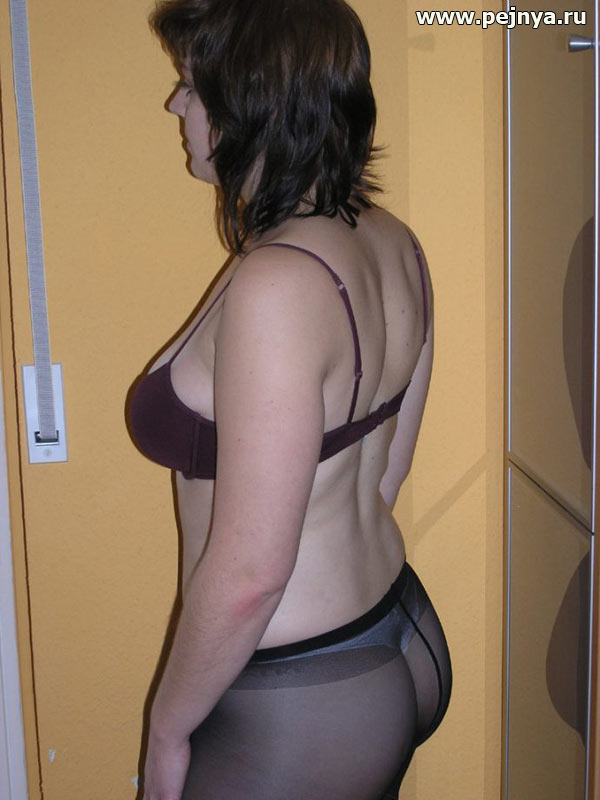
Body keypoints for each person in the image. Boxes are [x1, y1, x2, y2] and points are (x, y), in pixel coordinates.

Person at [127, 0, 453, 797]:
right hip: (395, 629)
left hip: (300, 683)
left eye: (191, 87)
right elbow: (386, 473)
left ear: (250, 104)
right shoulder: (393, 240)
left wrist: (167, 730)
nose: (175, 106)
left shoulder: (276, 284)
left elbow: (251, 575)